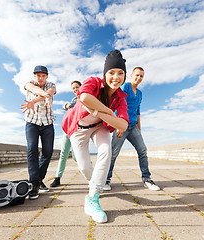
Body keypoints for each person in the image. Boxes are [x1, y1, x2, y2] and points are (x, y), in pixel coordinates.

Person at [62, 50, 129, 223]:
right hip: (79, 129)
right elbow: (84, 97)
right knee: (84, 167)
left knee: (106, 151)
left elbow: (123, 125)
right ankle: (96, 184)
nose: (116, 77)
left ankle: (92, 199)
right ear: (105, 73)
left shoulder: (121, 97)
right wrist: (108, 111)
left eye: (121, 73)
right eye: (111, 72)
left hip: (100, 127)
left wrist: (100, 113)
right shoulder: (93, 81)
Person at [103, 67, 160, 191]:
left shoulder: (139, 93)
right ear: (131, 75)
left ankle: (147, 179)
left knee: (143, 150)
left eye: (141, 76)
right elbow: (119, 105)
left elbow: (138, 112)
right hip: (122, 126)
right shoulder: (126, 87)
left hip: (133, 126)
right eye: (137, 75)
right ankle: (106, 180)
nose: (138, 78)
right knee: (113, 154)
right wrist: (119, 125)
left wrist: (139, 130)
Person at [21, 65, 57, 200]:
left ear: (46, 76)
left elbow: (51, 91)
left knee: (47, 152)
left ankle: (39, 179)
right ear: (34, 76)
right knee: (32, 150)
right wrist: (45, 95)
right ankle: (34, 183)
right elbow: (33, 89)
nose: (41, 78)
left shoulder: (51, 85)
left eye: (43, 75)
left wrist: (38, 99)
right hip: (32, 122)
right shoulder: (29, 84)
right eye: (38, 75)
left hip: (47, 123)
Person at [50, 80, 82, 187]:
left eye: (77, 87)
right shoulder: (73, 99)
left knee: (76, 157)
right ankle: (57, 178)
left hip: (78, 131)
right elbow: (66, 106)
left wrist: (69, 105)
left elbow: (76, 106)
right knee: (63, 154)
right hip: (67, 130)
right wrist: (66, 105)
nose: (75, 90)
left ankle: (88, 167)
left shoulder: (84, 98)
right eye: (73, 88)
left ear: (81, 87)